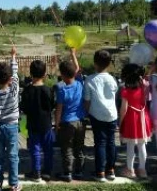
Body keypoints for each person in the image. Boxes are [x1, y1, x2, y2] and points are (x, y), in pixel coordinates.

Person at [0, 47, 21, 191]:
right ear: (9, 79)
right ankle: (13, 183)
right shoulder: (14, 90)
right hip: (12, 127)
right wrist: (13, 56)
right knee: (13, 156)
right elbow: (15, 72)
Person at [83, 50, 118, 182]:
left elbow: (87, 100)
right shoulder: (112, 79)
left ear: (95, 63)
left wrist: (86, 113)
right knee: (111, 142)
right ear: (109, 64)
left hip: (96, 114)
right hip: (112, 114)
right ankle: (111, 170)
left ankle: (100, 172)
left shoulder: (90, 79)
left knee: (100, 143)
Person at [54, 49, 86, 182]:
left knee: (67, 148)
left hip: (67, 123)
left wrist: (56, 124)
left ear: (62, 75)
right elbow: (77, 68)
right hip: (80, 121)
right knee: (79, 148)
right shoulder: (79, 83)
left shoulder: (62, 90)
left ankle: (67, 173)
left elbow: (59, 109)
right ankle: (79, 171)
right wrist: (73, 54)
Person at [21, 60, 54, 182]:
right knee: (48, 148)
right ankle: (48, 171)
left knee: (35, 148)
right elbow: (52, 106)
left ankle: (36, 171)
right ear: (45, 74)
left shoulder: (27, 90)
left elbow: (23, 108)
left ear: (31, 73)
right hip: (46, 124)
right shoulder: (48, 90)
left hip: (32, 123)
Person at [119, 64, 152, 179]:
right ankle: (142, 170)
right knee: (142, 145)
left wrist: (120, 123)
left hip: (131, 120)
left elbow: (123, 109)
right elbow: (146, 76)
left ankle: (130, 170)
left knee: (130, 146)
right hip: (143, 118)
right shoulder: (144, 87)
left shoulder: (125, 90)